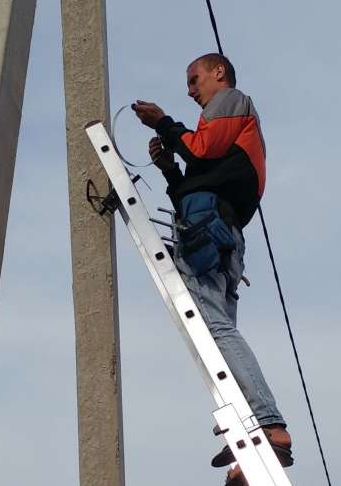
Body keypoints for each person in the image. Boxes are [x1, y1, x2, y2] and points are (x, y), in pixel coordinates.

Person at [132, 53, 293, 485]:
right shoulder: (221, 136)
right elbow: (196, 180)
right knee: (218, 336)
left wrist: (164, 122)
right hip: (218, 230)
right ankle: (248, 439)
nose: (190, 89)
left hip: (211, 230)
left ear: (218, 73)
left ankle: (267, 423)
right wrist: (169, 167)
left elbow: (200, 148)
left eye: (193, 79)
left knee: (215, 329)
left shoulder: (230, 102)